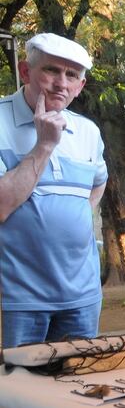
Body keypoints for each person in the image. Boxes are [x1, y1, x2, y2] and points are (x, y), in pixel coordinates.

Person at [0, 34, 106, 348]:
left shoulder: (87, 130)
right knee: (16, 393)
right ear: (25, 71)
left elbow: (99, 180)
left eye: (71, 75)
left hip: (82, 299)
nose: (61, 83)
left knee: (76, 392)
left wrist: (79, 217)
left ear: (80, 86)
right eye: (51, 71)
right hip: (18, 299)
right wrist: (45, 144)